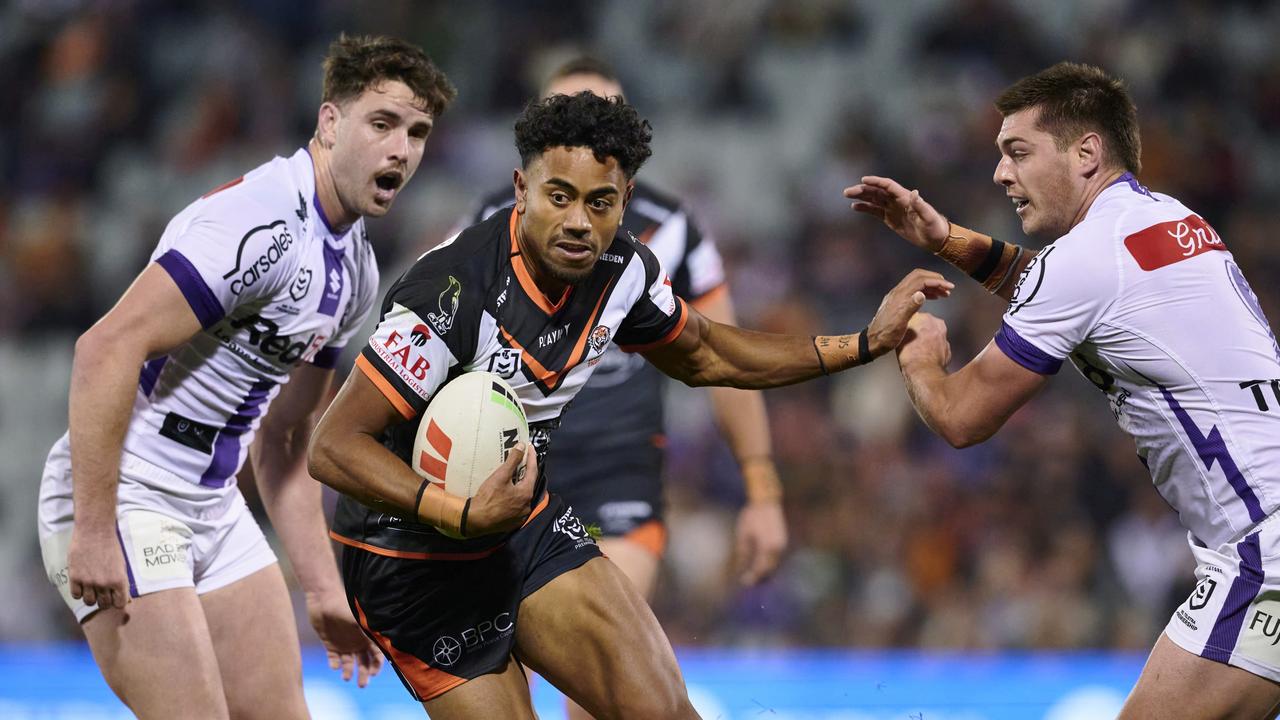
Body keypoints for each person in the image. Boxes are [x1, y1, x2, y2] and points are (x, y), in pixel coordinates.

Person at [308, 90, 951, 719]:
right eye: (558, 197)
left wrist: (865, 342)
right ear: (521, 189)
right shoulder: (451, 290)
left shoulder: (623, 271)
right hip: (408, 562)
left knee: (664, 710)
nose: (578, 223)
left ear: (626, 202)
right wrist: (456, 510)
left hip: (517, 525)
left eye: (600, 202)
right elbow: (333, 446)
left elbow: (708, 354)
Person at [36, 34, 455, 719]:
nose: (400, 150)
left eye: (417, 133)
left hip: (212, 507)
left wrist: (323, 589)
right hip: (129, 495)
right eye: (382, 124)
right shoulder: (259, 222)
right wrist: (93, 528)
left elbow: (287, 439)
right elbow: (104, 349)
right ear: (329, 122)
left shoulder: (356, 268)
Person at [846, 61, 1280, 719]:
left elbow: (962, 418)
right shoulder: (1168, 220)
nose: (1000, 173)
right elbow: (1058, 290)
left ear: (1085, 153)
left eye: (1017, 151)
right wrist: (946, 239)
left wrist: (917, 354)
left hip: (1262, 553)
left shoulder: (1087, 259)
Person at [463, 57, 786, 623]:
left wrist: (762, 492)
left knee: (600, 664)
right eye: (565, 116)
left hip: (619, 467)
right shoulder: (489, 221)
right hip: (506, 464)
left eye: (602, 115)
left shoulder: (674, 228)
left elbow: (724, 360)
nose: (585, 131)